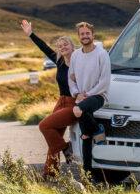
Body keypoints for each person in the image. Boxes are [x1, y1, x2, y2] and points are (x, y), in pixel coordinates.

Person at [21, 19, 77, 177]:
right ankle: (50, 173)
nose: (63, 47)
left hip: (73, 104)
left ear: (73, 47)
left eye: (66, 44)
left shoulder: (80, 63)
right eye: (60, 46)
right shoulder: (59, 62)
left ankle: (66, 148)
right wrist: (30, 34)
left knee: (44, 126)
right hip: (61, 102)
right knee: (54, 137)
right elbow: (44, 47)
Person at [68, 21, 111, 176]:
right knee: (85, 135)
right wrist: (77, 94)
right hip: (81, 97)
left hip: (98, 96)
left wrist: (87, 95)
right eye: (82, 34)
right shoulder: (75, 55)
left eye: (87, 33)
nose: (85, 36)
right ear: (79, 37)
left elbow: (105, 81)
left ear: (93, 35)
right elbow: (70, 79)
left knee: (77, 110)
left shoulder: (101, 54)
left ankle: (97, 129)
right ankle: (87, 174)